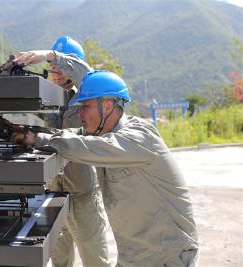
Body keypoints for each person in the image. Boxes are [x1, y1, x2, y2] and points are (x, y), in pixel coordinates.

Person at [12, 70, 199, 266]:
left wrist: (34, 139)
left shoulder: (138, 137)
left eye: (86, 106)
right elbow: (70, 135)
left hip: (166, 255)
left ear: (108, 106)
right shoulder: (102, 135)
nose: (80, 113)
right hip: (135, 255)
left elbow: (83, 146)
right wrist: (27, 132)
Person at [14, 36, 111, 267]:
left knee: (95, 259)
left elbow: (85, 72)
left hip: (83, 194)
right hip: (54, 192)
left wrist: (49, 55)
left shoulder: (88, 95)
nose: (55, 73)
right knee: (59, 259)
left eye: (60, 68)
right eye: (52, 69)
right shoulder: (52, 98)